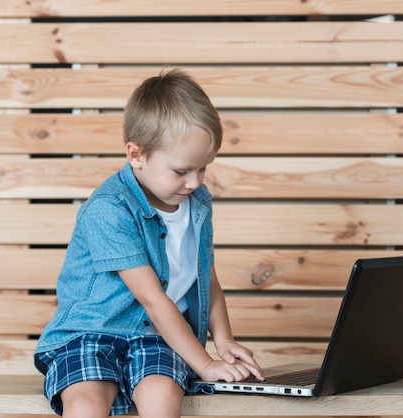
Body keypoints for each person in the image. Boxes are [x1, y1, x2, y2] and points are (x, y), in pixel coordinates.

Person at [34, 68, 264, 418]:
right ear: (136, 154)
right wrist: (204, 364)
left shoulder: (198, 203)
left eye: (203, 168)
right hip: (92, 332)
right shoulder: (109, 209)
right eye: (181, 171)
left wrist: (224, 340)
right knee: (85, 402)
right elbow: (152, 299)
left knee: (162, 395)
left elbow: (206, 278)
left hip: (158, 336)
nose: (193, 182)